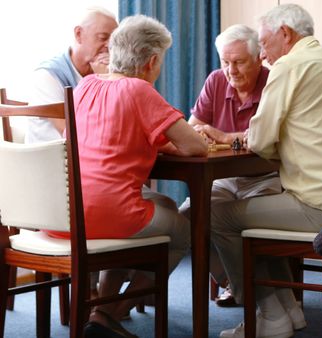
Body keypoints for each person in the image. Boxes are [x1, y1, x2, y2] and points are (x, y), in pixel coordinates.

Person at [47, 14, 208, 337]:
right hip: (109, 215)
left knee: (152, 206)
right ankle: (107, 312)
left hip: (65, 214)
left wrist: (161, 142)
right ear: (151, 61)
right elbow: (196, 146)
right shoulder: (139, 90)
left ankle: (103, 312)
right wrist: (174, 143)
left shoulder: (85, 86)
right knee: (181, 230)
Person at [210, 4, 322, 338]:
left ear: (285, 33)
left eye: (263, 43)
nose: (262, 54)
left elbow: (260, 140)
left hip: (316, 207)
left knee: (217, 215)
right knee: (258, 218)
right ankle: (289, 310)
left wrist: (262, 140)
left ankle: (268, 313)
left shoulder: (290, 64)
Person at [178, 23, 280, 307]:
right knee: (187, 218)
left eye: (238, 62)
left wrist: (223, 137)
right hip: (223, 178)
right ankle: (233, 283)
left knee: (235, 221)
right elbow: (194, 126)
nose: (231, 70)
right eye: (225, 62)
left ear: (258, 57)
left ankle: (265, 297)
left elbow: (265, 141)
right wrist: (200, 132)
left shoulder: (273, 84)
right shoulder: (215, 81)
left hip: (266, 177)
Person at [25, 6, 118, 143]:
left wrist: (108, 79)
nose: (109, 45)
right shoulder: (48, 75)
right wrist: (104, 83)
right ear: (78, 34)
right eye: (103, 38)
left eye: (114, 40)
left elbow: (118, 122)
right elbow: (70, 134)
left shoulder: (105, 72)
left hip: (85, 157)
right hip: (53, 160)